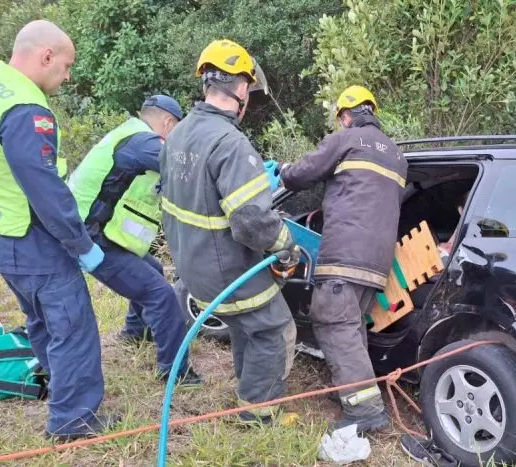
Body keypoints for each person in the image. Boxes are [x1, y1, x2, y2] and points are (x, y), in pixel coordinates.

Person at [0, 20, 115, 441]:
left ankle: (57, 382)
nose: (67, 77)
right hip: (33, 239)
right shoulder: (25, 111)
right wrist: (80, 243)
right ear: (46, 56)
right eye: (66, 66)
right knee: (73, 327)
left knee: (40, 320)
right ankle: (74, 420)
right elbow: (46, 191)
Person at [159, 39, 300, 423]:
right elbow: (252, 221)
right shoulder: (230, 143)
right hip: (226, 269)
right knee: (273, 329)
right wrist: (287, 246)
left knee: (246, 326)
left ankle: (246, 387)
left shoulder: (181, 133)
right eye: (248, 89)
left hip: (193, 267)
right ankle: (258, 416)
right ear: (239, 88)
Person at [278, 85, 408, 433]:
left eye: (340, 119)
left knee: (334, 324)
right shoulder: (397, 155)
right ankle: (355, 392)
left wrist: (284, 169)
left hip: (345, 255)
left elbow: (299, 175)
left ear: (346, 116)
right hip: (378, 262)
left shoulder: (346, 140)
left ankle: (365, 412)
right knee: (350, 326)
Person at [66, 95, 202, 385]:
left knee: (152, 270)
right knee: (162, 296)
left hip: (90, 228)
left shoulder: (128, 133)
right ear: (168, 122)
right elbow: (188, 170)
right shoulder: (145, 142)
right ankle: (175, 372)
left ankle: (135, 332)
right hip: (87, 238)